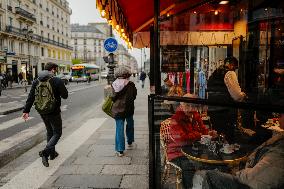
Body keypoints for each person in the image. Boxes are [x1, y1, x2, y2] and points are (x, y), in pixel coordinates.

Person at [192, 113, 284, 189]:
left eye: (281, 114)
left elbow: (254, 179)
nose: (278, 116)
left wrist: (236, 172)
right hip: (249, 175)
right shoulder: (279, 140)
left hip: (247, 183)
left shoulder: (279, 152)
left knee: (204, 175)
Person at [166, 93, 219, 188]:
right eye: (187, 105)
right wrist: (200, 135)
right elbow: (182, 140)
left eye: (193, 105)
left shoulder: (195, 115)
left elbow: (203, 130)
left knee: (212, 162)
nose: (190, 108)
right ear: (181, 106)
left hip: (194, 149)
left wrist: (209, 133)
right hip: (177, 152)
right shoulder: (175, 119)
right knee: (189, 167)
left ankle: (206, 183)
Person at [22, 62, 68, 167]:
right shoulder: (56, 80)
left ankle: (52, 154)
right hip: (54, 111)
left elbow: (31, 97)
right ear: (52, 70)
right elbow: (65, 96)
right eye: (55, 70)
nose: (55, 72)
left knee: (49, 131)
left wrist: (26, 111)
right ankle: (45, 153)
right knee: (57, 133)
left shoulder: (36, 80)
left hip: (41, 110)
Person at [207, 56, 246, 143]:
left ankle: (216, 154)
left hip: (213, 110)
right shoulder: (229, 73)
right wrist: (243, 95)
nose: (235, 70)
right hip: (225, 111)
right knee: (228, 138)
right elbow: (236, 95)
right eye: (235, 68)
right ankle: (227, 155)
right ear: (232, 65)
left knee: (217, 135)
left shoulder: (214, 74)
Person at [111, 66, 137, 157]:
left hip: (118, 110)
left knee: (119, 128)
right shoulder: (131, 84)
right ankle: (130, 141)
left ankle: (120, 150)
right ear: (127, 74)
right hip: (129, 108)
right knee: (130, 124)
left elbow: (112, 97)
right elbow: (134, 96)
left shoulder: (113, 84)